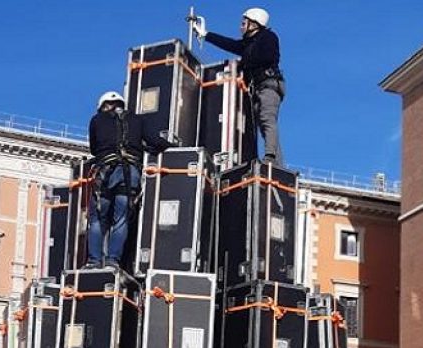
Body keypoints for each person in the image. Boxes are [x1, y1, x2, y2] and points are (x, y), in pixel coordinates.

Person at [86, 91, 172, 268]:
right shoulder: (137, 120)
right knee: (121, 218)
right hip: (129, 173)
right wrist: (172, 147)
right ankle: (112, 261)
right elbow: (155, 141)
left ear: (103, 106)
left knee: (97, 218)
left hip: (105, 172)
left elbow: (94, 149)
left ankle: (94, 261)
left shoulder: (97, 120)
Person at [191, 7, 285, 164]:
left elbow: (266, 57)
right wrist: (206, 34)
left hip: (268, 85)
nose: (241, 26)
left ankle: (271, 158)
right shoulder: (249, 44)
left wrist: (242, 64)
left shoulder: (268, 37)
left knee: (267, 119)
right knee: (263, 125)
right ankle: (276, 163)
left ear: (254, 24)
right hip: (257, 88)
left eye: (244, 23)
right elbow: (230, 44)